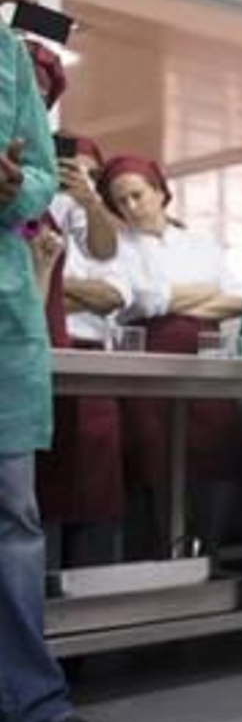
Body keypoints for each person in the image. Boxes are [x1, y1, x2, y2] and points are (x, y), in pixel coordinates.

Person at [0, 0, 135, 722]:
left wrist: (17, 184)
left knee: (14, 518)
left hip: (8, 318)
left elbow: (34, 175)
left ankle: (28, 700)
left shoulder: (10, 59)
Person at [102, 156, 242, 559]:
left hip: (206, 363)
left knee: (218, 453)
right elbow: (137, 302)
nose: (131, 206)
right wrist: (198, 293)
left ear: (160, 192)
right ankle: (161, 556)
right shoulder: (117, 248)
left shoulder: (199, 243)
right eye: (121, 201)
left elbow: (239, 297)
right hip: (148, 368)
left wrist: (172, 305)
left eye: (137, 195)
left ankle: (210, 553)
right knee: (154, 461)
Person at [38, 135, 130, 567]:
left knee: (92, 488)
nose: (79, 178)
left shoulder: (83, 212)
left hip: (88, 361)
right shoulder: (28, 205)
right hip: (35, 349)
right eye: (72, 168)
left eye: (93, 174)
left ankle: (85, 591)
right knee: (37, 486)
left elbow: (113, 286)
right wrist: (61, 289)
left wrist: (90, 202)